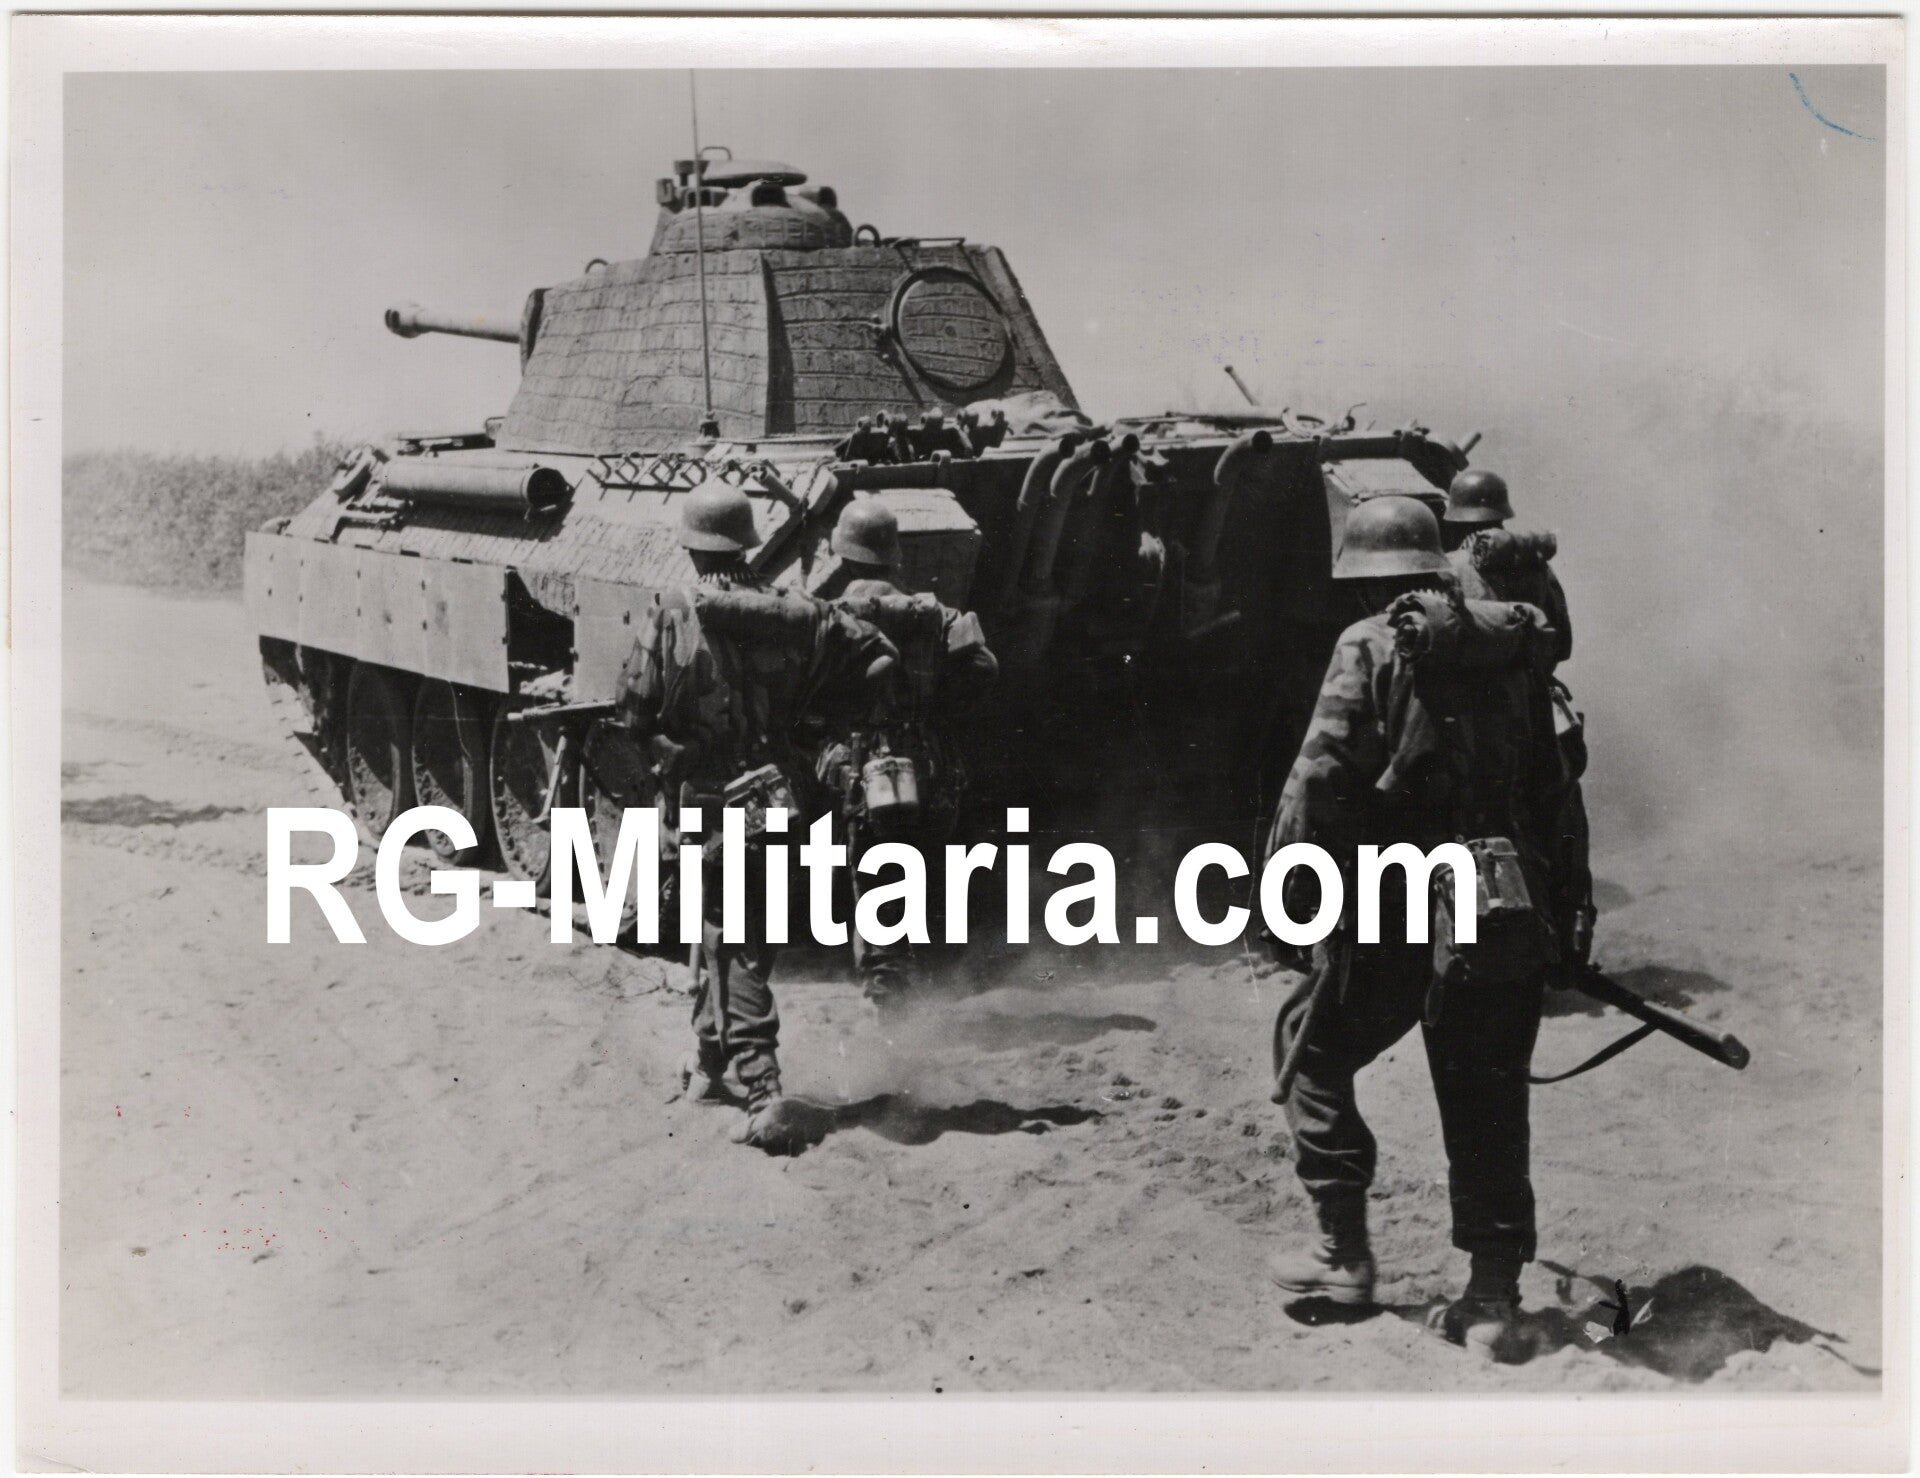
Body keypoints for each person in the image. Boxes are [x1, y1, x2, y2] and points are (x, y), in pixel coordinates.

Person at [1263, 495, 1564, 1358]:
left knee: (1308, 1044)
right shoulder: (1516, 645)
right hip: (1500, 892)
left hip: (1397, 897)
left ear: (1363, 575)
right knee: (1487, 1088)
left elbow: (1317, 784)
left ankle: (1342, 1254)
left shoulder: (1367, 643)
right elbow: (1553, 779)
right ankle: (1494, 1297)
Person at [617, 485, 896, 1153]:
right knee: (734, 931)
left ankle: (763, 1090)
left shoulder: (677, 611)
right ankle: (711, 1063)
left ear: (692, 545)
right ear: (746, 544)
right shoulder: (800, 610)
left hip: (711, 799)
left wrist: (672, 753)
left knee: (731, 936)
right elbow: (877, 657)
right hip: (778, 793)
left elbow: (632, 709)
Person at [822, 498, 999, 1015]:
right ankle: (928, 983)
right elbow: (984, 668)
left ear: (844, 556)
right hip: (929, 762)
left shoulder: (830, 616)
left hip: (865, 766)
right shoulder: (934, 612)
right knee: (926, 868)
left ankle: (888, 999)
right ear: (894, 556)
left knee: (874, 876)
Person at [1443, 469, 1593, 969]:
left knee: (1482, 832)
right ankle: (1569, 946)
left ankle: (1493, 949)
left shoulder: (1447, 571)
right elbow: (1564, 643)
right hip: (1542, 718)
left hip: (1481, 723)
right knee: (1560, 829)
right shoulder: (1538, 568)